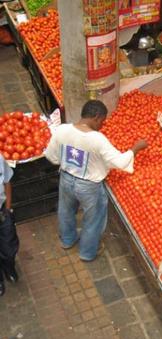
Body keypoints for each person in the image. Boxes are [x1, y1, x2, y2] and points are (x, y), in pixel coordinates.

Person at [45, 100, 148, 262]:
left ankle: (67, 240)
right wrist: (136, 148)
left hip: (65, 179)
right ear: (96, 117)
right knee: (94, 219)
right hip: (88, 186)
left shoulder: (62, 130)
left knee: (65, 211)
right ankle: (87, 253)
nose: (102, 125)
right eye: (102, 121)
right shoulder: (97, 139)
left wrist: (68, 163)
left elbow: (51, 156)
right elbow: (120, 162)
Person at [0, 154, 18, 297]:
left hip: (2, 211)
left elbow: (7, 182)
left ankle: (9, 267)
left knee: (9, 243)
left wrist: (8, 208)